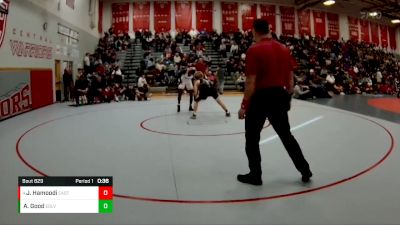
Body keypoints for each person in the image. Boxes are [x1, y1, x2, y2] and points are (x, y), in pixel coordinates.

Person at [237, 19, 312, 186]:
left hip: (259, 98)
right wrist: (288, 98)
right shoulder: (284, 49)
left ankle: (255, 175)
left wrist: (244, 106)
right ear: (269, 30)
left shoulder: (253, 50)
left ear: (254, 31)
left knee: (252, 138)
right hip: (279, 95)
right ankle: (305, 170)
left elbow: (250, 83)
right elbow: (290, 79)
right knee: (286, 136)